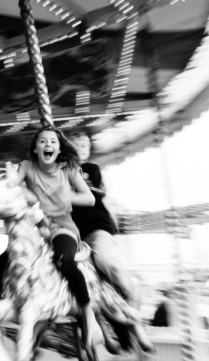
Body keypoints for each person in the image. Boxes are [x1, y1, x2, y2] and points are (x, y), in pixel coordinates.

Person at [12, 127, 103, 348]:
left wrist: (65, 196)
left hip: (62, 226)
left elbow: (89, 199)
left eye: (53, 141)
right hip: (35, 229)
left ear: (59, 147)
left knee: (64, 259)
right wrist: (11, 183)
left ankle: (88, 314)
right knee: (7, 261)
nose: (48, 145)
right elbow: (13, 186)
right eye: (42, 141)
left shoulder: (69, 169)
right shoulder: (27, 167)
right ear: (35, 148)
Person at [69, 131, 133, 300]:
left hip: (97, 229)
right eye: (77, 144)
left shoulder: (90, 169)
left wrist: (63, 195)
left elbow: (89, 197)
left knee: (104, 260)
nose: (82, 148)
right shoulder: (62, 173)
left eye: (85, 145)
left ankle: (130, 295)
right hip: (76, 235)